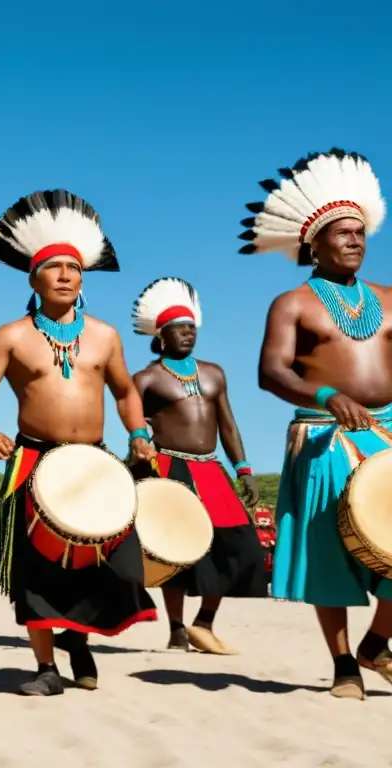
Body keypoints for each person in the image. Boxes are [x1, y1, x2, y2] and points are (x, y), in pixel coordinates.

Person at [0, 189, 158, 696]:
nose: (67, 276)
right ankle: (46, 668)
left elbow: (124, 392)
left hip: (94, 463)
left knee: (107, 561)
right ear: (34, 278)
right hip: (32, 459)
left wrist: (139, 434)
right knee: (36, 569)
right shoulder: (11, 336)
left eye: (75, 268)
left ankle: (79, 641)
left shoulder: (105, 335)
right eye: (55, 268)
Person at [246, 149, 392, 699]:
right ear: (314, 242)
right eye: (342, 233)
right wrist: (328, 395)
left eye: (361, 232)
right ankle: (344, 666)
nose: (355, 240)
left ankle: (377, 642)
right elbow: (270, 372)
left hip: (388, 433)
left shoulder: (390, 300)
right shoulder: (293, 304)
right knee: (330, 555)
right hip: (324, 437)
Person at [131, 277, 268, 654]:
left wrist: (243, 468)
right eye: (180, 329)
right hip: (170, 468)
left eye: (192, 328)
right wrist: (139, 445)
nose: (188, 334)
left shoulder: (214, 373)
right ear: (162, 336)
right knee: (176, 550)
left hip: (211, 470)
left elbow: (228, 423)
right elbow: (133, 422)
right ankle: (176, 629)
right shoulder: (146, 378)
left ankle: (203, 623)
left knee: (242, 547)